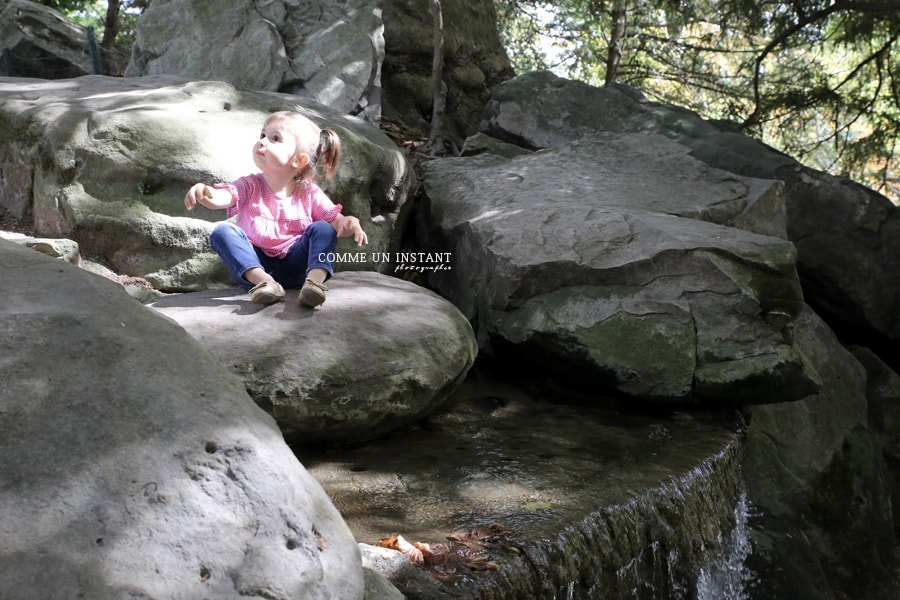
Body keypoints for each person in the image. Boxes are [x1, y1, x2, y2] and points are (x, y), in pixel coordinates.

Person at [184, 111, 368, 308]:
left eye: (275, 138)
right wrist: (207, 193)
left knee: (324, 229)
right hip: (256, 267)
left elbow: (336, 221)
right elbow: (226, 197)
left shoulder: (309, 192)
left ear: (299, 161)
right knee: (223, 232)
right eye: (263, 135)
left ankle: (313, 284)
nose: (263, 141)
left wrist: (349, 222)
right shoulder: (250, 185)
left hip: (297, 266)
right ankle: (266, 284)